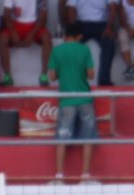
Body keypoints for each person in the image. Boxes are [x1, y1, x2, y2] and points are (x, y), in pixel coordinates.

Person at [48, 23, 97, 183]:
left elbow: (52, 77)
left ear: (65, 36)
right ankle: (86, 175)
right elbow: (91, 75)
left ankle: (59, 175)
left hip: (66, 101)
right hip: (85, 99)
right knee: (87, 139)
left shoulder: (57, 51)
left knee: (62, 139)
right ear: (80, 36)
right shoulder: (85, 50)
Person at [0, 0, 53, 87]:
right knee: (2, 38)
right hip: (16, 24)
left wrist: (31, 34)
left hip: (34, 25)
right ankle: (7, 76)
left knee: (47, 37)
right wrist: (12, 32)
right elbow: (7, 15)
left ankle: (43, 76)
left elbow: (42, 17)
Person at [65, 0, 117, 85]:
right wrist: (73, 31)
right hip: (81, 24)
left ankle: (104, 80)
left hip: (101, 25)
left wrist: (109, 27)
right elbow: (71, 8)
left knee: (109, 44)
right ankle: (72, 79)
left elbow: (113, 8)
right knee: (71, 46)